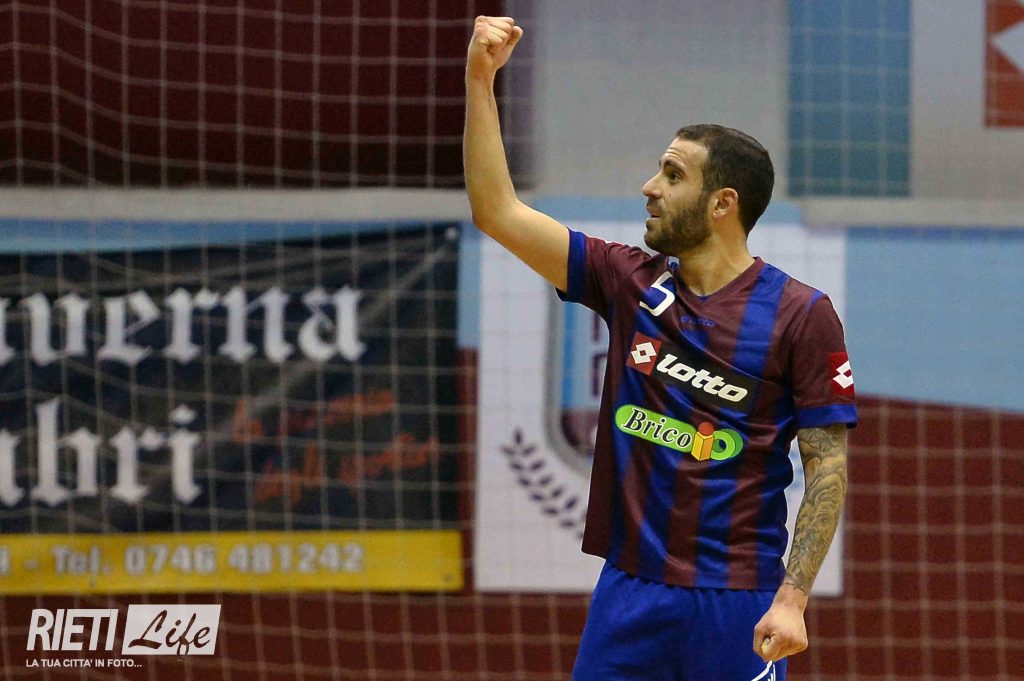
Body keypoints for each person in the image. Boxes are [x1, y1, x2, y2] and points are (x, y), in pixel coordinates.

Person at [464, 16, 855, 681]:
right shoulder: (627, 281)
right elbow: (496, 211)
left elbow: (827, 465)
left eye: (672, 175)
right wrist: (480, 80)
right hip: (630, 592)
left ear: (722, 203)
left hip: (738, 600)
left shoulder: (801, 313)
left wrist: (793, 600)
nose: (650, 186)